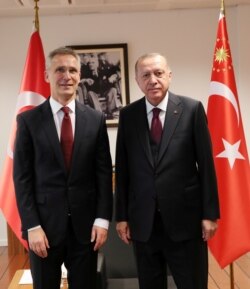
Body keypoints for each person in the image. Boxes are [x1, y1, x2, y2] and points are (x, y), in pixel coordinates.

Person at [115, 53, 220, 289]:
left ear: (169, 76)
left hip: (186, 221)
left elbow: (206, 164)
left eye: (158, 73)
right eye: (146, 75)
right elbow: (123, 170)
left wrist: (210, 214)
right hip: (143, 223)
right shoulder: (128, 115)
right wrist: (121, 216)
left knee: (192, 283)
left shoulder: (191, 109)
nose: (153, 80)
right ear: (137, 80)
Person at [13, 47, 113, 289]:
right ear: (47, 75)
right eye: (60, 70)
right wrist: (32, 226)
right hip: (43, 231)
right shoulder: (28, 121)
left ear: (79, 76)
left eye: (72, 70)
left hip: (85, 229)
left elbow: (102, 173)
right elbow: (22, 178)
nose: (66, 76)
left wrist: (102, 220)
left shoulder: (95, 119)